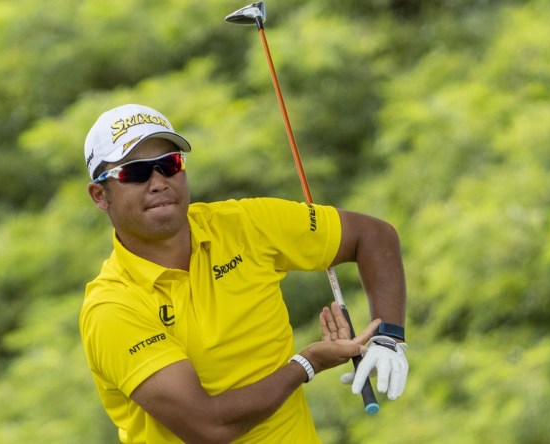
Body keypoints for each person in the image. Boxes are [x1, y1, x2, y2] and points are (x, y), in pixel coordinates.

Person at [79, 103, 409, 443]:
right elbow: (209, 426)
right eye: (135, 172)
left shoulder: (245, 223)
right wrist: (306, 364)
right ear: (100, 195)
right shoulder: (111, 308)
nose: (159, 182)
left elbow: (373, 236)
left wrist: (389, 336)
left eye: (170, 164)